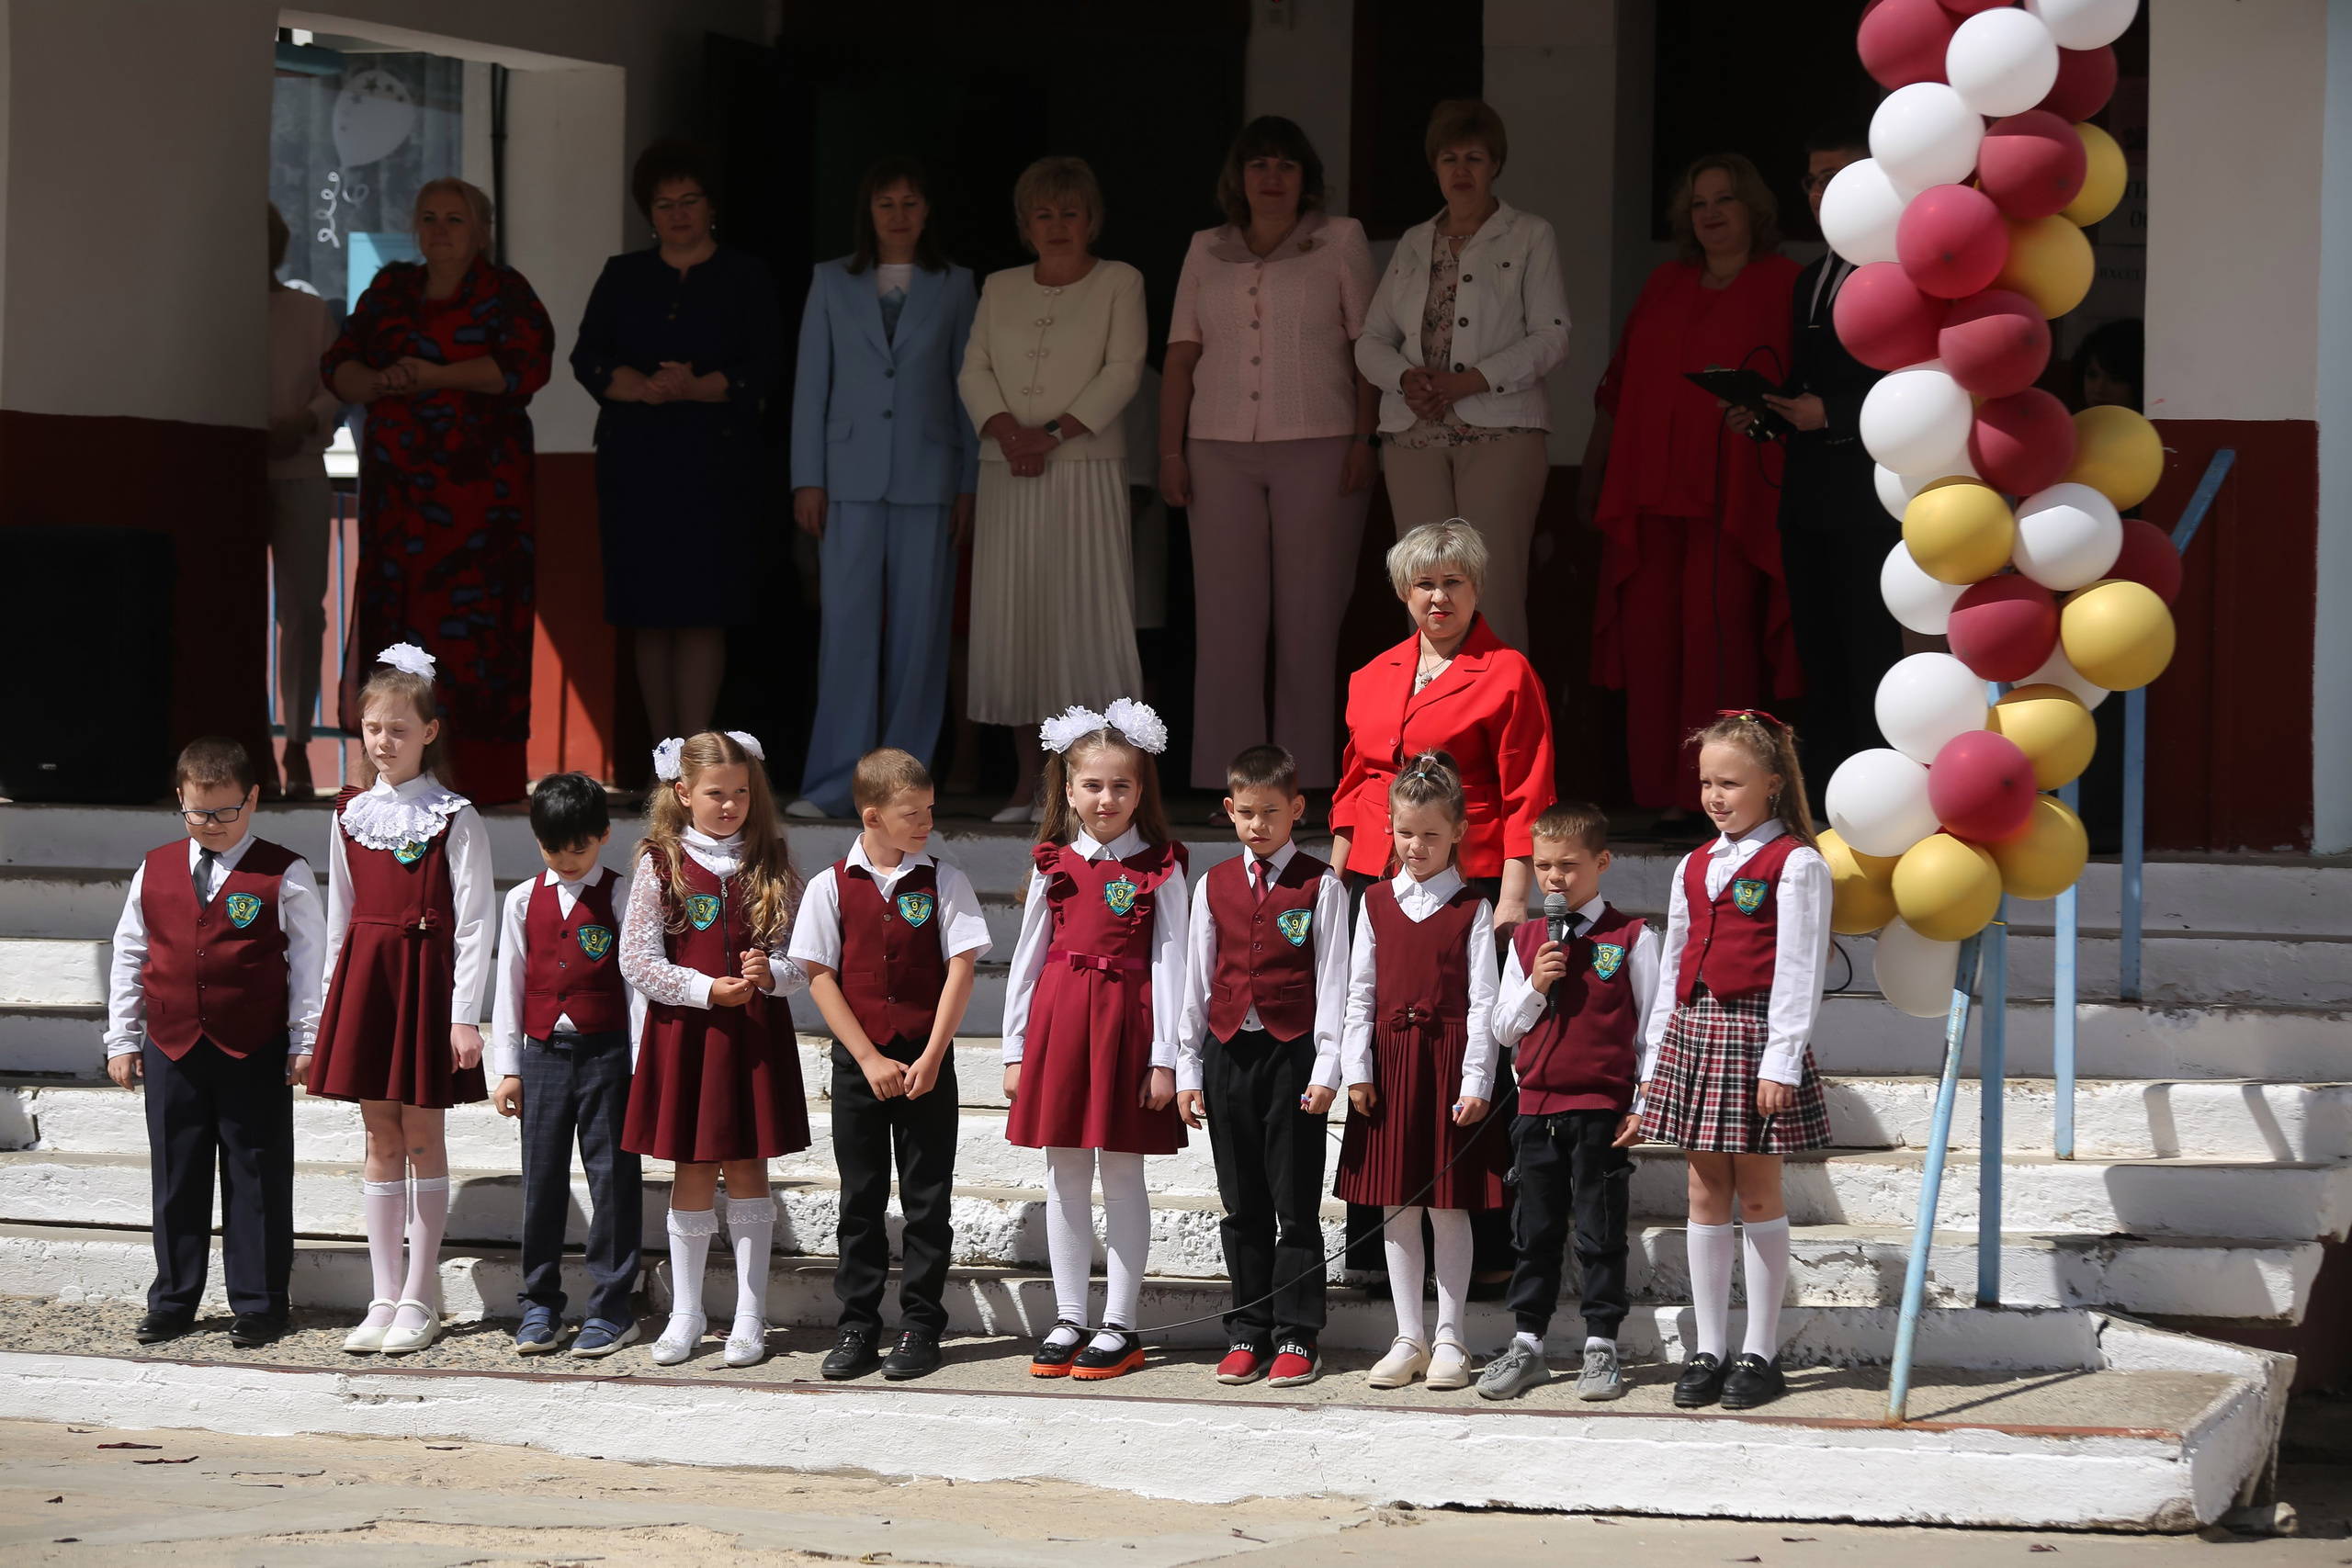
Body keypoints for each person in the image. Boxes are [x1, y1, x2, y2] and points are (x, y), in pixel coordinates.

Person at [1160, 117, 1380, 793]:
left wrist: (1364, 438)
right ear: (1239, 176)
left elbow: (1368, 348)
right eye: (1259, 163)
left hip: (1320, 441)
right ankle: (1232, 781)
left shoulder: (1341, 239)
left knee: (1309, 619)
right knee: (1226, 621)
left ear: (1305, 176)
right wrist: (1170, 451)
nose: (1272, 176)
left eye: (1286, 163)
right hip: (1216, 446)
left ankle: (1301, 779)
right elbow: (1181, 354)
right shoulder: (1206, 247)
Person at [1581, 153, 1801, 829]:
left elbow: (1796, 386)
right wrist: (1592, 472)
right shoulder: (1664, 283)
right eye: (1699, 203)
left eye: (1725, 200)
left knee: (1718, 641)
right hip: (1648, 495)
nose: (1710, 213)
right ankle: (1660, 793)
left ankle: (1721, 797)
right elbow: (1618, 386)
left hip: (1732, 501)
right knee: (1650, 645)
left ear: (1753, 209)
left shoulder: (1783, 282)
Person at [324, 179, 553, 805]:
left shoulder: (505, 292)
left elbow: (523, 366)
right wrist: (381, 381)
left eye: (455, 218)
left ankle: (479, 778)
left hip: (482, 509)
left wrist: (432, 375)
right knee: (399, 632)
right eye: (429, 217)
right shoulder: (391, 289)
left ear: (481, 231)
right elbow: (339, 365)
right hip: (398, 503)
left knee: (479, 641)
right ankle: (395, 774)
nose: (440, 229)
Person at [1638, 711, 1833, 1412]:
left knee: (1756, 1193)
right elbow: (1673, 968)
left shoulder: (1797, 863)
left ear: (1772, 783)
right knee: (1703, 1192)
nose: (1715, 796)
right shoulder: (1694, 864)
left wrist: (1781, 1059)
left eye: (1730, 783)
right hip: (1695, 1034)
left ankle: (1761, 1349)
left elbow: (1801, 968)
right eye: (1706, 783)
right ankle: (1709, 1347)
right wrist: (1655, 1056)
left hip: (1753, 1037)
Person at [103, 738, 323, 1349]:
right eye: (199, 812)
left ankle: (260, 1303)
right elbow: (130, 953)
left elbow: (311, 963)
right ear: (180, 799)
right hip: (170, 1044)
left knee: (255, 1173)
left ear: (252, 799)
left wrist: (305, 1038)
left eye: (227, 810)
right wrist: (122, 1037)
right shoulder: (154, 868)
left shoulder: (285, 871)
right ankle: (173, 1300)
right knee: (177, 1175)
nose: (213, 823)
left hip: (253, 1045)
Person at [309, 645, 496, 1357]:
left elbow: (476, 921)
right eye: (372, 728)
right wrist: (328, 1007)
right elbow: (340, 913)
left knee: (421, 1135)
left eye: (398, 728)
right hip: (368, 984)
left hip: (425, 985)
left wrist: (463, 1014)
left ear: (429, 732)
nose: (383, 741)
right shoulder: (349, 813)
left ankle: (420, 1294)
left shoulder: (455, 815)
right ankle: (383, 1294)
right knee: (379, 1138)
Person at [571, 138, 783, 747]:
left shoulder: (746, 275)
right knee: (649, 612)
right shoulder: (622, 274)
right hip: (635, 463)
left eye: (689, 200)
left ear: (711, 204)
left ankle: (694, 751)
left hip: (715, 465)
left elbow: (766, 363)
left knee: (701, 610)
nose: (678, 213)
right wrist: (639, 386)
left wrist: (697, 386)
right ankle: (662, 756)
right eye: (664, 204)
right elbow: (587, 356)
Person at [789, 748, 991, 1382]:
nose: (926, 822)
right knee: (861, 1199)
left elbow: (961, 968)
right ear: (872, 815)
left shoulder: (945, 881)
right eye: (912, 814)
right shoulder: (829, 885)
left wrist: (932, 1054)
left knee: (928, 1199)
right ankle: (857, 1324)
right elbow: (819, 976)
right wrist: (867, 1057)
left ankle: (921, 1325)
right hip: (860, 1065)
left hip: (927, 1061)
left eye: (929, 810)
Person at [786, 158, 979, 818]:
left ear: (927, 213)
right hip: (848, 476)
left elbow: (968, 387)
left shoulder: (956, 284)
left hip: (932, 474)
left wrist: (969, 483)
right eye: (885, 203)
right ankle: (833, 781)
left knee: (920, 638)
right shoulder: (830, 280)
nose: (898, 214)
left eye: (910, 202)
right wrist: (808, 477)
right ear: (867, 213)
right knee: (846, 630)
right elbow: (811, 385)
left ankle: (902, 790)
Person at [957, 157, 1148, 822]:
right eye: (1044, 213)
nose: (1058, 225)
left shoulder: (1120, 281)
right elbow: (974, 368)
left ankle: (1100, 785)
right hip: (1006, 468)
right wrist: (1009, 432)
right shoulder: (1000, 285)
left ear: (1092, 220)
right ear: (1024, 223)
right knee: (1015, 619)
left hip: (1083, 466)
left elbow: (1124, 370)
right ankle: (1030, 786)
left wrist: (1051, 433)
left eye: (1071, 212)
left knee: (1084, 616)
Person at [1001, 699, 1186, 1381]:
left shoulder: (1161, 865)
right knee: (1066, 1171)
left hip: (1129, 1028)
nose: (1106, 798)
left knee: (1124, 1172)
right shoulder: (1052, 862)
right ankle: (1070, 1316)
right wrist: (1016, 1048)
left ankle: (1120, 1323)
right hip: (1061, 1027)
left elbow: (1173, 960)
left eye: (1120, 785)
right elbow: (1027, 960)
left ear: (1141, 790)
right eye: (1092, 785)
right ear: (1068, 789)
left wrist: (1166, 1056)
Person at [619, 729, 811, 1371]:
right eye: (715, 794)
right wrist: (704, 988)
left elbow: (803, 956)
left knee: (749, 1167)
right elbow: (636, 959)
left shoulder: (772, 859)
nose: (730, 805)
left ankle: (751, 1315)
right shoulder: (661, 861)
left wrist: (772, 974)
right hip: (690, 1036)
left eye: (741, 793)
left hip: (754, 1036)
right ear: (683, 793)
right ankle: (687, 1312)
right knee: (694, 1169)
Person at [1355, 100, 1570, 651]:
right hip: (1414, 434)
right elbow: (1371, 339)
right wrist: (1404, 378)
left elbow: (1552, 336)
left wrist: (1470, 380)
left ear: (1495, 164)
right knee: (1423, 595)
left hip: (1502, 432)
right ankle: (1432, 709)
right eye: (1449, 158)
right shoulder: (1413, 241)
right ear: (1435, 167)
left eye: (1474, 157)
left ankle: (1499, 709)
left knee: (1492, 591)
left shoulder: (1529, 234)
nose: (1461, 170)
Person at [1173, 744, 1351, 1390]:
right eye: (1246, 812)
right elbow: (1195, 981)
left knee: (1295, 1201)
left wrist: (1327, 1066)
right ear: (1229, 810)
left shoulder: (1322, 885)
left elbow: (1334, 979)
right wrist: (1188, 1066)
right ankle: (1248, 1329)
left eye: (1271, 812)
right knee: (1241, 1202)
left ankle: (1298, 1334)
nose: (1258, 824)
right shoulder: (1212, 884)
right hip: (1227, 1052)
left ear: (1297, 809)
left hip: (1292, 1054)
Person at [1475, 801, 1659, 1404]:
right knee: (1534, 1231)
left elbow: (1652, 1028)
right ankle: (1527, 1342)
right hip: (1535, 1108)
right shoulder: (1528, 939)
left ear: (1601, 862)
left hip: (1600, 1108)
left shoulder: (1631, 937)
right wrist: (1536, 984)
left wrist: (1644, 1101)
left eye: (1569, 866)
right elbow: (1503, 1027)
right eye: (1544, 866)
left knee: (1600, 1232)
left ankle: (1601, 1344)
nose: (1554, 878)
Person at [1334, 753, 1505, 1393]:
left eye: (1431, 833)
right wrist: (1358, 1068)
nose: (1416, 845)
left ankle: (1451, 1336)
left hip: (1448, 1066)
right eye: (1406, 832)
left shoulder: (1472, 906)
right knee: (1397, 1203)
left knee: (1447, 1203)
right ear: (1390, 827)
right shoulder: (1375, 901)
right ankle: (1408, 1336)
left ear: (1458, 830)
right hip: (1389, 1066)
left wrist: (1477, 1081)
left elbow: (1485, 1001)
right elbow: (1359, 992)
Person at [1763, 124, 1901, 789]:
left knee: (1868, 647)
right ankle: (1824, 795)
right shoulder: (1810, 278)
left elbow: (1913, 383)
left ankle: (1877, 786)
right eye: (1813, 180)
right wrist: (1768, 410)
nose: (1822, 192)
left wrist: (1835, 413)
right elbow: (1807, 379)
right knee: (1818, 649)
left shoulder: (1898, 272)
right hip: (1807, 495)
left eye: (1836, 177)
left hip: (1870, 497)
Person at [1330, 520, 1555, 931]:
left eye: (1453, 582)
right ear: (1405, 591)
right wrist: (1333, 887)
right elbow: (1354, 789)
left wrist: (1513, 900)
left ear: (1477, 587)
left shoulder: (1509, 673)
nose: (1439, 596)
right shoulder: (1370, 674)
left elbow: (1529, 797)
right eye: (1424, 584)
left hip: (1465, 872)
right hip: (1371, 872)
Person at [487, 773, 641, 1359]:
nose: (567, 859)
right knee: (542, 1181)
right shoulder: (521, 900)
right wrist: (510, 1067)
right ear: (537, 840)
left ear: (604, 835)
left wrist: (639, 1061)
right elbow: (510, 986)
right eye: (554, 848)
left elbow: (637, 987)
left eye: (579, 846)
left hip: (608, 1054)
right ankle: (540, 1304)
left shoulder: (623, 895)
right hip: (543, 1054)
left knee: (613, 1180)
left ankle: (612, 1307)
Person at [266, 202, 344, 798]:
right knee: (233, 610)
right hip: (228, 471)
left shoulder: (310, 311)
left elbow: (334, 388)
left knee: (305, 612)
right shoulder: (217, 312)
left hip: (301, 466)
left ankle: (295, 743)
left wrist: (305, 421)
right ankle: (249, 741)